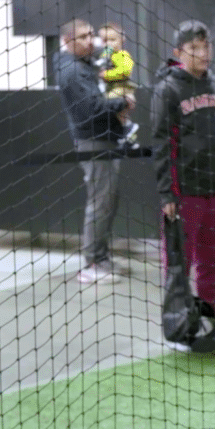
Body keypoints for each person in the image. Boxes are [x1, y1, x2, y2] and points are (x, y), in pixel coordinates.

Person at [151, 20, 215, 346]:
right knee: (179, 264)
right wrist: (168, 194)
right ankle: (178, 327)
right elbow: (163, 147)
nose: (203, 54)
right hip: (184, 195)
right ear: (178, 53)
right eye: (195, 48)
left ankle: (207, 319)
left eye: (206, 47)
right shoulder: (167, 90)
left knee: (212, 263)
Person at [55, 18, 133, 284]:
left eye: (91, 34)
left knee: (108, 199)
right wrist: (122, 102)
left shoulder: (85, 65)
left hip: (105, 140)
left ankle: (101, 257)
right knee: (100, 202)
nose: (90, 41)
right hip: (94, 142)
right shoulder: (73, 71)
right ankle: (92, 263)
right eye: (82, 37)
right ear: (68, 41)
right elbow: (92, 109)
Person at [95, 22, 139, 147]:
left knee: (109, 102)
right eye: (104, 41)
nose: (108, 43)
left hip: (122, 88)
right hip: (110, 87)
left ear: (122, 40)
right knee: (115, 114)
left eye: (112, 40)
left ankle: (129, 127)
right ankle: (128, 135)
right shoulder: (105, 55)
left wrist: (106, 75)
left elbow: (125, 71)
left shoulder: (122, 55)